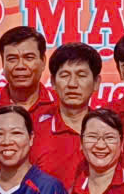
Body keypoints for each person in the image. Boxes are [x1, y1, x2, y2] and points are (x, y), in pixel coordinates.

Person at [35, 41, 106, 182]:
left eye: (81, 75)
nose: (72, 84)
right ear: (53, 82)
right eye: (65, 75)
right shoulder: (34, 131)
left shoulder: (108, 131)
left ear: (96, 83)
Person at [0, 24, 58, 125]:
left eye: (29, 58)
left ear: (43, 61)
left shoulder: (61, 105)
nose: (20, 66)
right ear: (3, 63)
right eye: (12, 59)